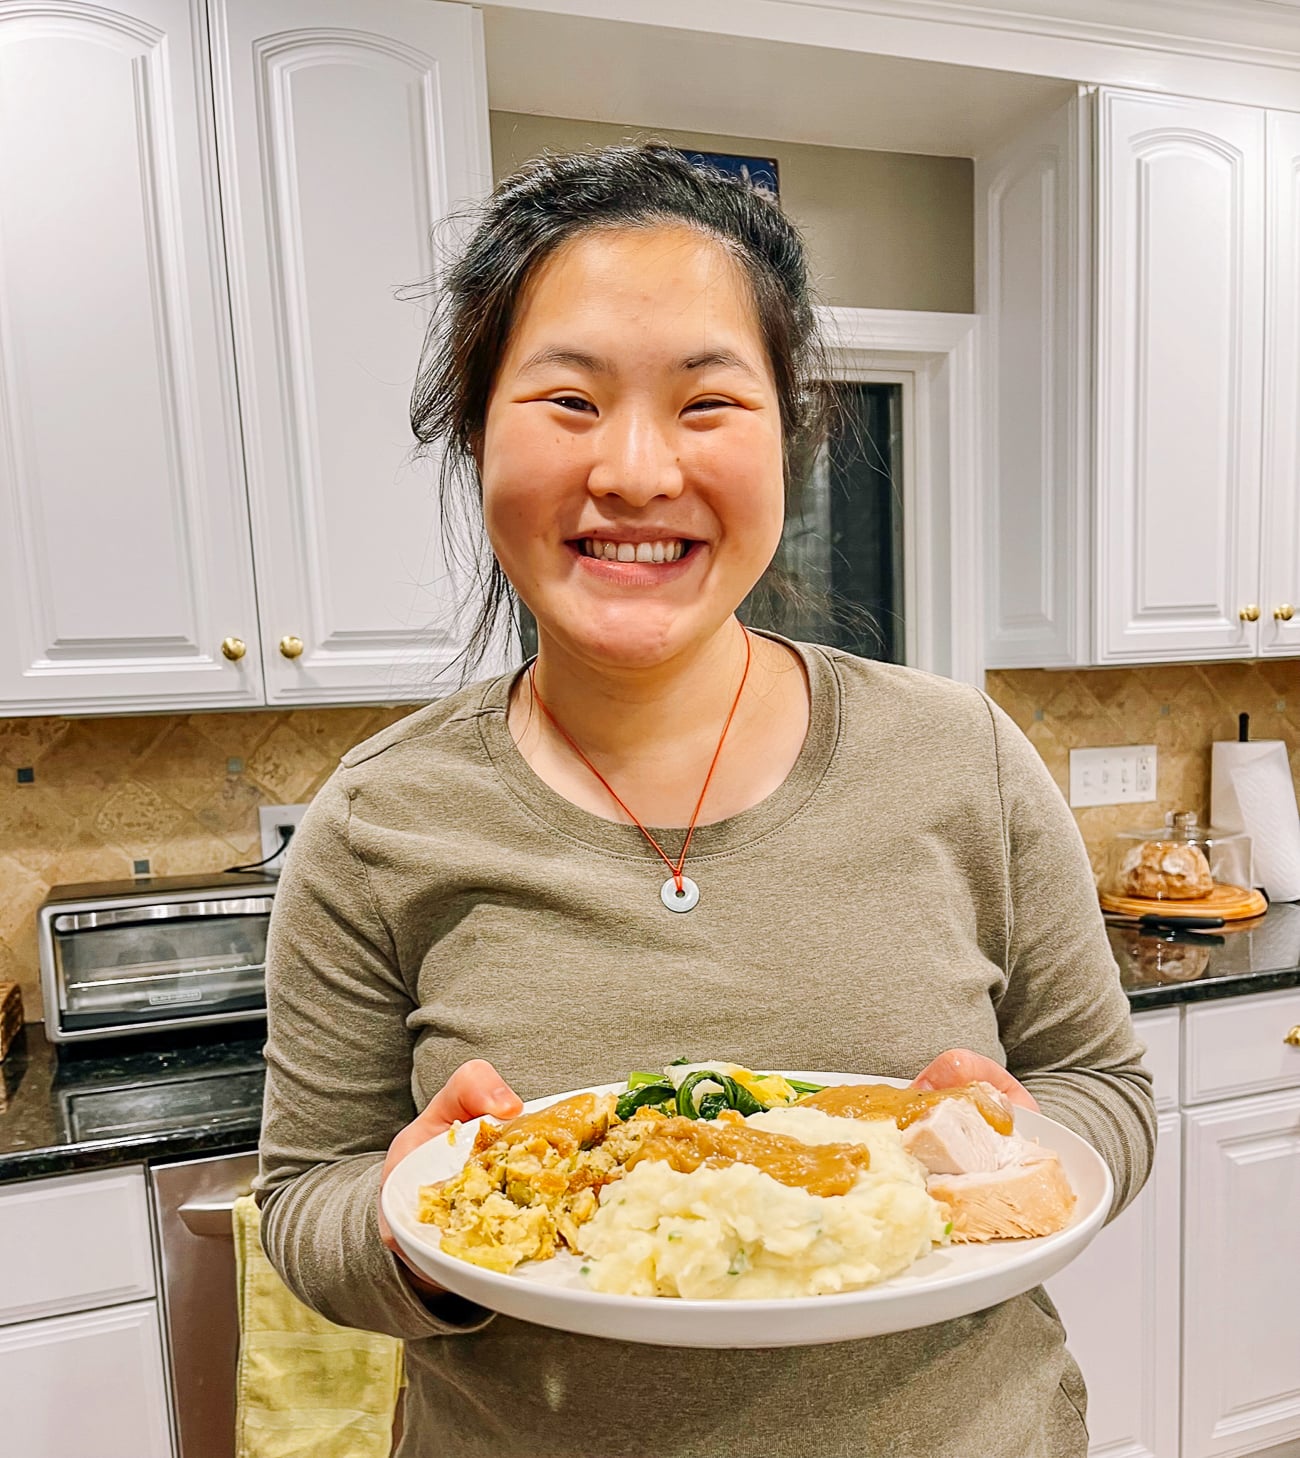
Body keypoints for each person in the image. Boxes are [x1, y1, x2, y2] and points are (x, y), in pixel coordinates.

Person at [255, 142, 1154, 1458]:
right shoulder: (376, 822)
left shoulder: (962, 757)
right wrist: (415, 1222)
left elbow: (1106, 1092)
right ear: (475, 426)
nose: (632, 471)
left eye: (706, 403)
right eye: (566, 399)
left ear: (788, 433)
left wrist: (1020, 1147)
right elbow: (301, 1204)